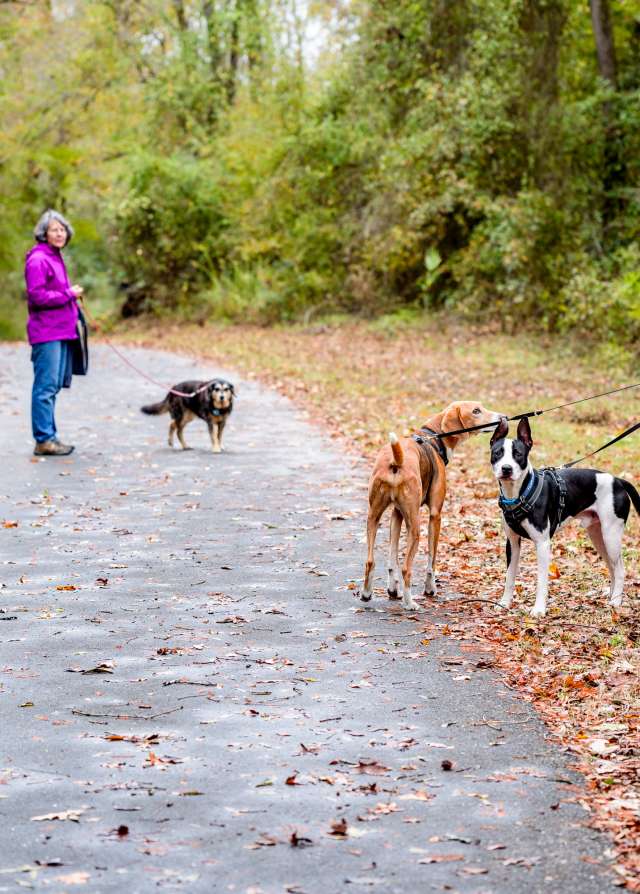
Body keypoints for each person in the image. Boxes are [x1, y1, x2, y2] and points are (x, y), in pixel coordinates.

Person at [25, 209, 84, 456]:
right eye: (54, 230)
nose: (59, 234)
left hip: (61, 330)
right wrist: (68, 294)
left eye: (62, 229)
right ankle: (44, 440)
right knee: (45, 387)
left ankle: (50, 436)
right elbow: (36, 296)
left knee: (54, 386)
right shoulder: (38, 259)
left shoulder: (54, 256)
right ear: (44, 234)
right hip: (46, 332)